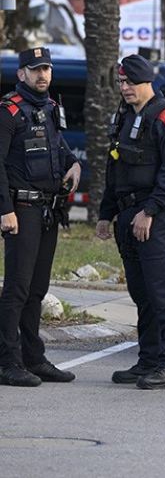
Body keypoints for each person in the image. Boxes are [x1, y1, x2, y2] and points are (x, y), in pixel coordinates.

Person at [95, 54, 165, 390]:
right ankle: (148, 360)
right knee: (142, 294)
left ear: (147, 81)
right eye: (121, 82)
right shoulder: (123, 117)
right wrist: (106, 214)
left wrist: (149, 212)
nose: (125, 88)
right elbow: (114, 169)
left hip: (154, 219)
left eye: (130, 82)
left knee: (163, 293)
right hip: (127, 215)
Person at [0, 47, 81, 387]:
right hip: (21, 210)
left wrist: (74, 164)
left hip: (47, 210)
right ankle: (8, 361)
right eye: (35, 70)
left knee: (37, 289)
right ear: (22, 74)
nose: (42, 75)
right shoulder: (8, 112)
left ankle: (34, 358)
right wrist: (4, 210)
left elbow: (58, 148)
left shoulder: (48, 108)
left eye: (46, 68)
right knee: (17, 289)